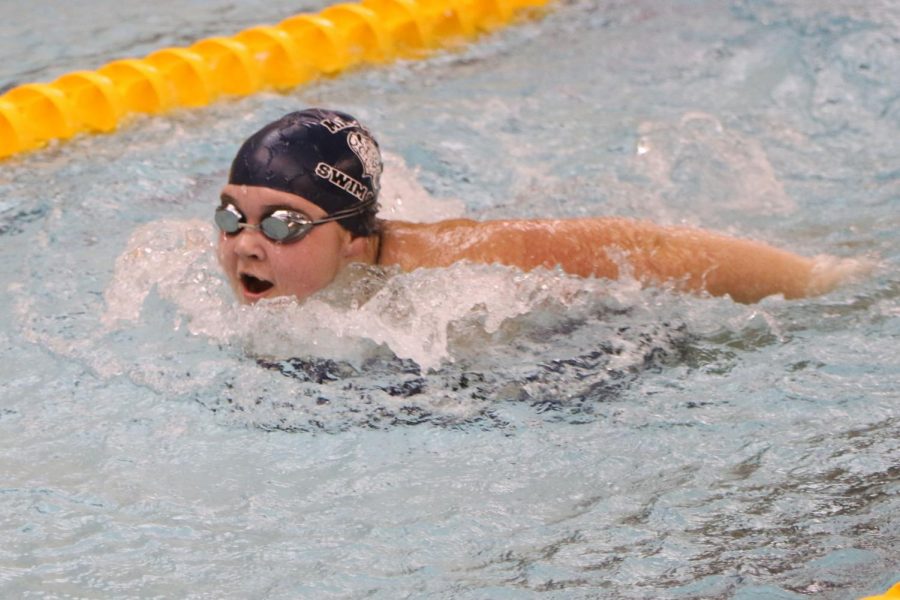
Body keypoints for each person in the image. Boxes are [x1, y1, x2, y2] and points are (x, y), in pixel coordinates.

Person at [216, 108, 853, 305]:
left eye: (283, 224)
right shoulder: (207, 275)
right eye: (230, 215)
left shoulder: (452, 264)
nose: (246, 243)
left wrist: (818, 282)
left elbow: (644, 248)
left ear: (352, 238)